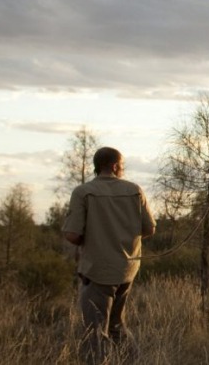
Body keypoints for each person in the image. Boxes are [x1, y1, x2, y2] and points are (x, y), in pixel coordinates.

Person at [62, 147, 157, 363]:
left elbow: (72, 234)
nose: (122, 169)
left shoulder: (83, 192)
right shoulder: (135, 190)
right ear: (114, 166)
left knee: (94, 334)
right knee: (116, 325)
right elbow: (150, 229)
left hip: (98, 272)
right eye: (122, 165)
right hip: (127, 271)